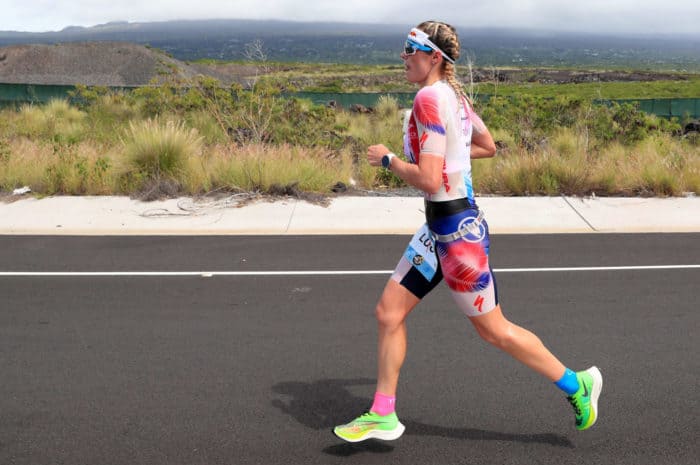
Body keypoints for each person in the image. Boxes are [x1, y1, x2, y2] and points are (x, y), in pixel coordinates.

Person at [333, 21, 602, 443]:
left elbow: (429, 180)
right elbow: (488, 146)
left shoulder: (428, 99)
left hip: (458, 236)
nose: (402, 56)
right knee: (389, 312)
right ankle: (382, 413)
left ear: (433, 57)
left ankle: (577, 384)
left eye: (410, 48)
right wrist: (452, 158)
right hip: (438, 229)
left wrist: (387, 160)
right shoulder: (456, 97)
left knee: (493, 330)